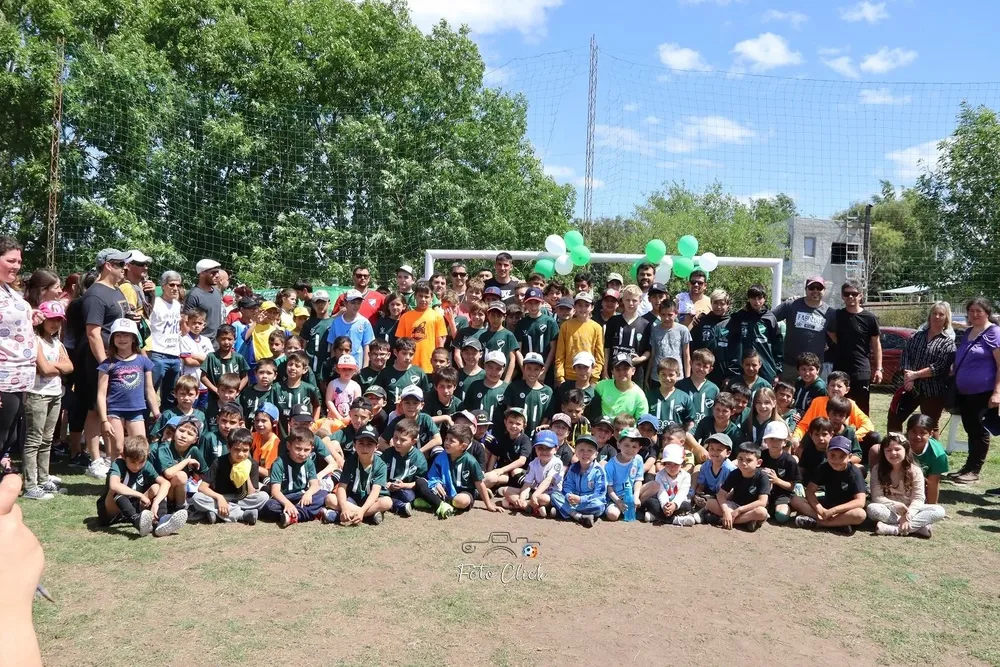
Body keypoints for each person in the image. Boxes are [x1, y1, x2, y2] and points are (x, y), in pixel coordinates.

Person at [76, 248, 132, 478]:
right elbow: (93, 333)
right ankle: (95, 460)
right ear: (108, 265)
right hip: (101, 362)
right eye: (120, 264)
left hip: (118, 358)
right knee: (94, 409)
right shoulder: (96, 294)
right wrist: (104, 364)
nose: (124, 268)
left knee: (110, 410)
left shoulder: (116, 290)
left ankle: (109, 457)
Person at [22, 301, 72, 499]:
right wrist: (56, 365)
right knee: (34, 439)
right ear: (42, 320)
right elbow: (44, 368)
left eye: (59, 320)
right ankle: (30, 484)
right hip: (37, 394)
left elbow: (70, 366)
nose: (55, 324)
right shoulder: (34, 340)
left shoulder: (57, 343)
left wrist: (55, 365)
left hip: (54, 394)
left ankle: (43, 479)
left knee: (47, 440)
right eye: (51, 319)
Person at [950, 296, 1000, 485]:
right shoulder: (969, 331)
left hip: (984, 392)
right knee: (971, 430)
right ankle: (968, 467)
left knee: (980, 431)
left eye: (979, 311)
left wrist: (997, 392)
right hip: (965, 393)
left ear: (987, 312)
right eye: (971, 311)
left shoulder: (994, 332)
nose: (975, 314)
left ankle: (975, 470)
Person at [98, 435, 186, 537]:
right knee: (116, 490)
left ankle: (160, 521)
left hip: (134, 505)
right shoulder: (118, 464)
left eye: (141, 462)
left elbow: (165, 483)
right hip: (111, 511)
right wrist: (140, 495)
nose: (137, 466)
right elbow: (114, 485)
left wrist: (156, 502)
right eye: (132, 462)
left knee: (156, 487)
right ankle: (137, 521)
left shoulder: (146, 465)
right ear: (123, 456)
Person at [888, 302, 956, 433]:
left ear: (946, 318)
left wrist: (915, 375)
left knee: (930, 425)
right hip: (911, 387)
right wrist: (909, 378)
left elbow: (940, 367)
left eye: (941, 314)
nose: (937, 317)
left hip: (933, 391)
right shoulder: (916, 336)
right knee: (894, 417)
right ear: (929, 316)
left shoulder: (948, 343)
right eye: (934, 313)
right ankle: (896, 448)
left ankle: (934, 453)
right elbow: (906, 355)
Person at [97, 319, 159, 462]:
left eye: (126, 335)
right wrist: (104, 420)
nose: (122, 338)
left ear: (133, 338)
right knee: (117, 449)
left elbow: (149, 390)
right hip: (114, 411)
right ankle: (114, 481)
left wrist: (156, 413)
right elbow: (101, 394)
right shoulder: (107, 364)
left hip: (136, 410)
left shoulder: (144, 362)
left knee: (141, 448)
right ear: (112, 339)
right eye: (118, 335)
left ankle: (137, 481)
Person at [414, 424, 502, 518]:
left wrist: (488, 505)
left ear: (463, 446)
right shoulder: (441, 457)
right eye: (446, 439)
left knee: (461, 501)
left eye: (451, 441)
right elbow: (433, 476)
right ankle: (439, 503)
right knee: (420, 482)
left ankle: (434, 502)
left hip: (463, 493)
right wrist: (436, 483)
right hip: (444, 491)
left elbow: (479, 484)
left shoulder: (470, 461)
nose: (447, 442)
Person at [867, 433, 945, 537]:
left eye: (897, 449)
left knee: (939, 510)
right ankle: (917, 528)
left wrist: (908, 515)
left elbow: (919, 498)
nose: (893, 453)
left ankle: (893, 529)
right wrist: (894, 505)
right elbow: (877, 496)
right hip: (890, 510)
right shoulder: (878, 469)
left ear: (906, 450)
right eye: (889, 450)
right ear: (883, 452)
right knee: (872, 508)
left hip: (912, 509)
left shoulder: (915, 471)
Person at [791, 436, 867, 534]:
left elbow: (860, 501)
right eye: (833, 455)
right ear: (827, 454)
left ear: (849, 457)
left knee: (860, 514)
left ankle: (819, 523)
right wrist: (820, 509)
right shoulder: (824, 467)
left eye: (842, 456)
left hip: (845, 510)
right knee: (796, 500)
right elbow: (810, 491)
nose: (836, 460)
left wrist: (834, 511)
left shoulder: (854, 473)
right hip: (827, 505)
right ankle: (838, 524)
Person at [827, 280, 882, 415]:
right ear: (842, 296)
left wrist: (879, 368)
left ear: (860, 295)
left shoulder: (870, 318)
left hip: (860, 369)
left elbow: (876, 344)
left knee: (861, 409)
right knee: (837, 407)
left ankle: (861, 436)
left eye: (854, 294)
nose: (850, 297)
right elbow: (831, 332)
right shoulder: (837, 315)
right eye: (847, 294)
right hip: (840, 367)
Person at [260, 426, 328, 527]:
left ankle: (294, 516)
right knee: (269, 507)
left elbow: (315, 485)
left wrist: (308, 494)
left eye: (306, 450)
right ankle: (310, 512)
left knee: (323, 495)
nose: (302, 453)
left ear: (311, 449)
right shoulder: (279, 463)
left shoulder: (309, 463)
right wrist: (287, 503)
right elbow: (275, 491)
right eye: (298, 448)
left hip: (302, 496)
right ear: (288, 446)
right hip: (284, 498)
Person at [771, 276, 833, 384]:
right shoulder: (791, 305)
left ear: (824, 291)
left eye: (819, 288)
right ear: (806, 289)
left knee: (812, 399)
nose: (815, 291)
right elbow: (769, 319)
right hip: (790, 365)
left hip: (814, 368)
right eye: (812, 287)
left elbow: (834, 336)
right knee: (786, 398)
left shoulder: (830, 312)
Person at [327, 424, 392, 525]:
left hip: (372, 501)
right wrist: (344, 508)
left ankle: (353, 515)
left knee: (387, 502)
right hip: (353, 499)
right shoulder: (350, 461)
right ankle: (370, 515)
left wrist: (361, 511)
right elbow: (342, 487)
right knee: (329, 499)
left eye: (369, 444)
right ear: (354, 445)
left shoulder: (381, 465)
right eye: (361, 443)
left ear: (376, 447)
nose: (364, 448)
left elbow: (375, 492)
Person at [725, 284, 783, 384]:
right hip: (743, 367)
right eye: (753, 298)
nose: (756, 302)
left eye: (760, 298)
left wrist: (777, 370)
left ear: (765, 298)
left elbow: (777, 345)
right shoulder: (739, 316)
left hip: (766, 367)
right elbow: (732, 344)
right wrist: (732, 370)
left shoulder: (770, 318)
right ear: (749, 299)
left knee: (764, 396)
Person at [502, 430, 564, 517]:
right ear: (535, 448)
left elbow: (548, 480)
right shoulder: (533, 463)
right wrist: (521, 498)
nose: (544, 451)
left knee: (543, 498)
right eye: (540, 448)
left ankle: (521, 505)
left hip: (551, 494)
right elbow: (527, 484)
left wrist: (534, 495)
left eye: (548, 448)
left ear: (556, 449)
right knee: (506, 490)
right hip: (534, 492)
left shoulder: (557, 463)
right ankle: (530, 507)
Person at [550, 435, 607, 527]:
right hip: (573, 501)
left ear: (596, 454)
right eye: (581, 450)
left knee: (599, 506)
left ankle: (564, 512)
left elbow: (600, 494)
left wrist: (581, 499)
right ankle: (579, 516)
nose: (585, 453)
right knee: (554, 495)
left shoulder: (599, 471)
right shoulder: (573, 468)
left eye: (590, 450)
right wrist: (569, 495)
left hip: (589, 502)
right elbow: (567, 486)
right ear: (576, 452)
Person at [603, 285, 652, 387]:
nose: (630, 303)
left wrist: (640, 359)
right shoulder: (613, 321)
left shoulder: (646, 324)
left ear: (640, 300)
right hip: (615, 370)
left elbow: (649, 350)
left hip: (636, 373)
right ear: (622, 300)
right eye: (627, 300)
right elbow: (607, 348)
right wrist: (605, 371)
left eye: (634, 300)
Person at [148, 271, 183, 407]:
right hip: (158, 353)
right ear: (163, 286)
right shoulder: (155, 303)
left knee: (171, 395)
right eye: (172, 285)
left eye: (178, 285)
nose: (175, 288)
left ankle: (166, 426)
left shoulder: (177, 305)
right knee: (150, 392)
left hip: (174, 355)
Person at [554, 292, 605, 385]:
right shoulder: (566, 326)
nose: (583, 309)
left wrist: (594, 378)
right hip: (568, 377)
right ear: (575, 307)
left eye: (586, 305)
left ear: (592, 307)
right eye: (580, 305)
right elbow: (560, 354)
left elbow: (599, 356)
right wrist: (560, 377)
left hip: (588, 378)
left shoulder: (597, 328)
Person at [381, 418, 428, 517]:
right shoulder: (388, 453)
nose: (397, 442)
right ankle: (398, 506)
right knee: (375, 489)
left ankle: (390, 504)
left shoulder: (419, 458)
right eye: (395, 437)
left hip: (404, 489)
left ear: (414, 441)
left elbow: (420, 483)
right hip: (386, 486)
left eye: (403, 440)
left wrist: (403, 486)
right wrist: (385, 483)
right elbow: (378, 473)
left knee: (409, 496)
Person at [395, 283, 446, 374]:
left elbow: (440, 343)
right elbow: (400, 342)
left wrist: (439, 362)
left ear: (431, 298)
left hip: (429, 366)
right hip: (408, 365)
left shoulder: (437, 317)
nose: (423, 299)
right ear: (415, 296)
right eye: (420, 296)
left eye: (426, 296)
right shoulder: (405, 316)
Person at [759, 420, 799, 524]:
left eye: (779, 439)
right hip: (763, 492)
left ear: (785, 442)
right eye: (771, 439)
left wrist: (776, 480)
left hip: (782, 494)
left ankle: (788, 507)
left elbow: (791, 486)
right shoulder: (761, 456)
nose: (774, 442)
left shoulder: (789, 460)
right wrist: (759, 472)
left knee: (781, 516)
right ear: (765, 440)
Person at [639, 444, 690, 523]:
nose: (672, 468)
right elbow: (661, 492)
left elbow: (682, 493)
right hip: (662, 503)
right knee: (651, 502)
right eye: (668, 464)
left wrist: (674, 505)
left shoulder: (686, 476)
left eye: (676, 464)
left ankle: (657, 516)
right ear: (664, 463)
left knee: (686, 505)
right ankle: (674, 519)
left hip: (678, 503)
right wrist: (665, 506)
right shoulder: (660, 475)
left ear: (682, 463)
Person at [602, 427, 644, 521]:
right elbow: (609, 487)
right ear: (618, 445)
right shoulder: (611, 465)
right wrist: (618, 501)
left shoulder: (638, 459)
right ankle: (624, 509)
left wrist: (636, 497)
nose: (630, 449)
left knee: (654, 485)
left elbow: (638, 480)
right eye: (626, 445)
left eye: (634, 446)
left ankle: (636, 506)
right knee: (612, 515)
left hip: (632, 494)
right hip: (616, 497)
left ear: (639, 448)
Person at [648, 299, 691, 384]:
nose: (666, 318)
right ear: (659, 314)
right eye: (663, 315)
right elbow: (652, 355)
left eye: (670, 315)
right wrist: (647, 377)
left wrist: (688, 379)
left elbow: (686, 356)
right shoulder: (654, 330)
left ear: (676, 314)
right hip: (657, 377)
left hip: (677, 377)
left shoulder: (683, 330)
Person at [595, 354, 649, 420]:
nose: (622, 372)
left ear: (633, 370)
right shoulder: (602, 386)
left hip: (627, 429)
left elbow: (641, 423)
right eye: (618, 369)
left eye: (625, 368)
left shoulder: (639, 395)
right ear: (612, 372)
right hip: (604, 428)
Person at [184, 259, 224, 342]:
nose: (217, 275)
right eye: (213, 273)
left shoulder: (217, 292)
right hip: (200, 343)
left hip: (217, 343)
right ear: (202, 273)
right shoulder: (194, 295)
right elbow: (186, 321)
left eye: (217, 272)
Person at [793, 352, 827, 420]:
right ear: (798, 370)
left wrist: (803, 416)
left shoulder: (819, 387)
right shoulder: (799, 381)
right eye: (803, 369)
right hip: (795, 413)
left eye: (811, 369)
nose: (807, 373)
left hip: (811, 419)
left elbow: (819, 411)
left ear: (817, 370)